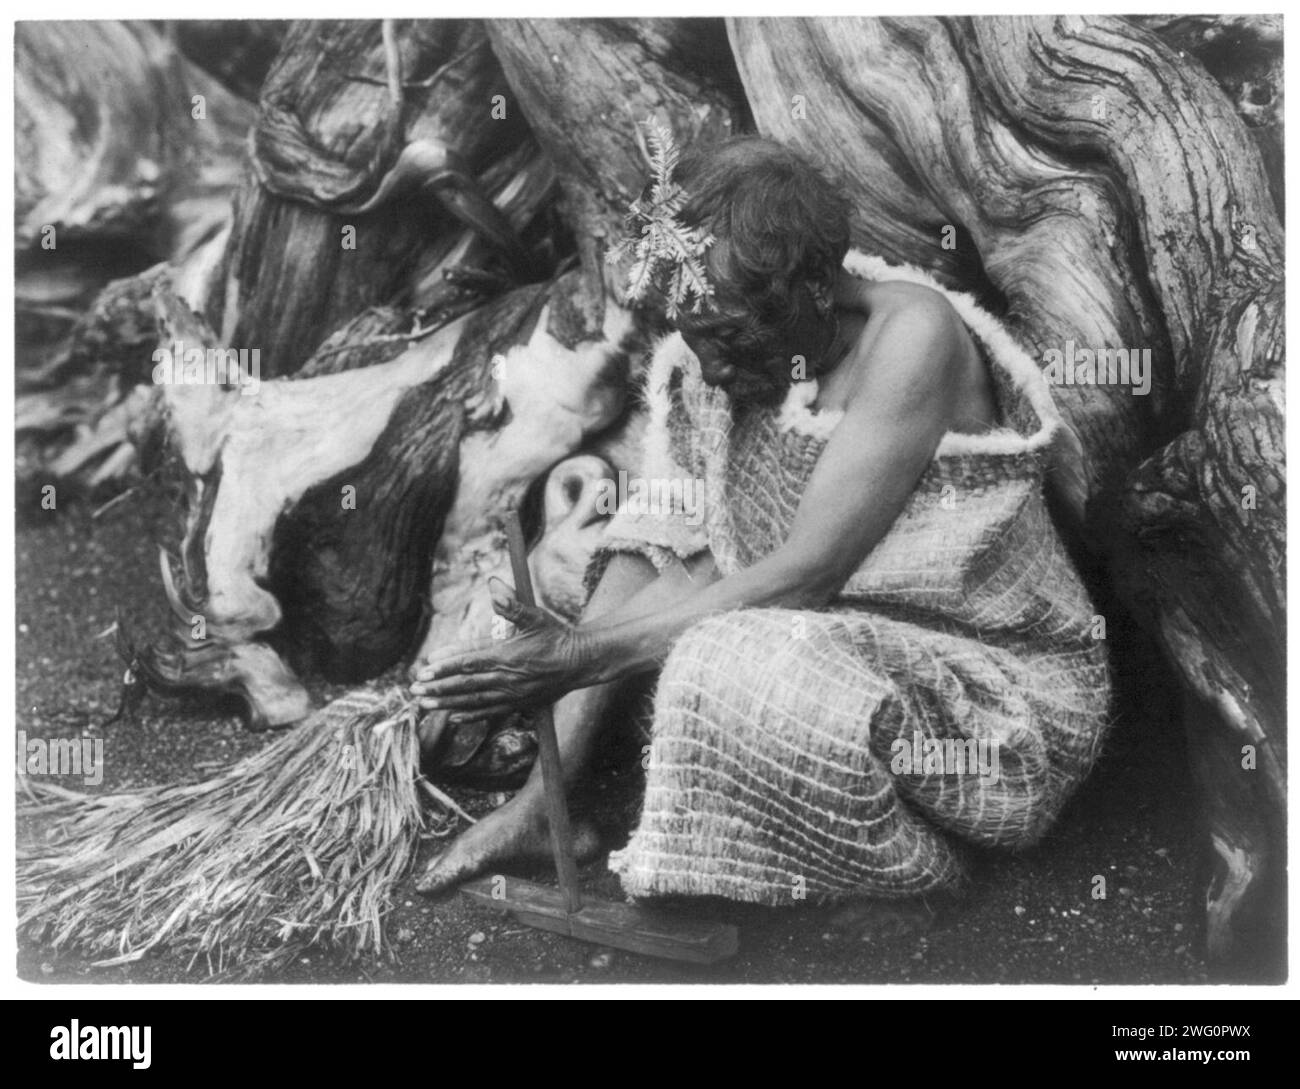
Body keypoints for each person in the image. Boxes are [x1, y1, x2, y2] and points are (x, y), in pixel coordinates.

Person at [410, 134, 1111, 917]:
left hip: (982, 690)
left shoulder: (913, 336)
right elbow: (674, 547)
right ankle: (546, 811)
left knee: (725, 664)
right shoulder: (724, 354)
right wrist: (567, 688)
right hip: (835, 646)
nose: (711, 367)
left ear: (818, 285)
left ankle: (910, 875)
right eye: (701, 340)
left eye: (732, 341)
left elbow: (808, 571)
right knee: (657, 606)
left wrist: (583, 655)